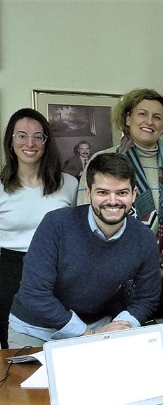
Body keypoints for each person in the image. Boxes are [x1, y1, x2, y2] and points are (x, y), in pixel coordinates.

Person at [8, 153, 160, 348]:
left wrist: (119, 326)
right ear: (88, 193)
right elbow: (35, 294)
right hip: (36, 329)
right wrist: (87, 334)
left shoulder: (143, 237)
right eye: (102, 192)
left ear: (134, 194)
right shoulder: (56, 224)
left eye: (122, 193)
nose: (112, 201)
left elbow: (147, 298)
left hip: (98, 325)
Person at [77, 88, 163, 265]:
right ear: (128, 118)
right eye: (142, 114)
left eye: (157, 117)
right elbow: (84, 218)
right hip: (109, 265)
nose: (149, 122)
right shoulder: (101, 160)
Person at [0, 109, 78, 349]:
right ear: (11, 142)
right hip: (9, 273)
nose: (29, 143)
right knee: (14, 353)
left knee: (58, 346)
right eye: (21, 136)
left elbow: (77, 234)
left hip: (56, 273)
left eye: (37, 136)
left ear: (46, 142)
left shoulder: (70, 184)